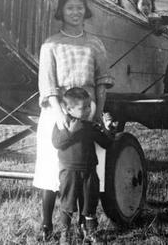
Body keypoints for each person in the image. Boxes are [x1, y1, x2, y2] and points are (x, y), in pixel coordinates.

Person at [34, 0, 114, 241]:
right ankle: (47, 225)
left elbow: (102, 80)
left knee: (90, 170)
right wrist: (60, 115)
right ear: (61, 12)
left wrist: (97, 112)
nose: (76, 12)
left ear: (85, 10)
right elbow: (47, 85)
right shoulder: (51, 44)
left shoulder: (95, 43)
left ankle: (85, 223)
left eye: (80, 7)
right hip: (57, 112)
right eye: (70, 8)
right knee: (51, 168)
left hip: (87, 112)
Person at [52, 87, 113, 244]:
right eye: (82, 108)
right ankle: (65, 233)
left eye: (88, 106)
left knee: (90, 202)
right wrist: (70, 132)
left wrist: (107, 128)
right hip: (69, 172)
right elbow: (57, 143)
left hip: (89, 171)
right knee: (68, 202)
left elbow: (106, 143)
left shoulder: (89, 126)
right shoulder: (62, 123)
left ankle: (90, 232)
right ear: (68, 109)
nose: (87, 110)